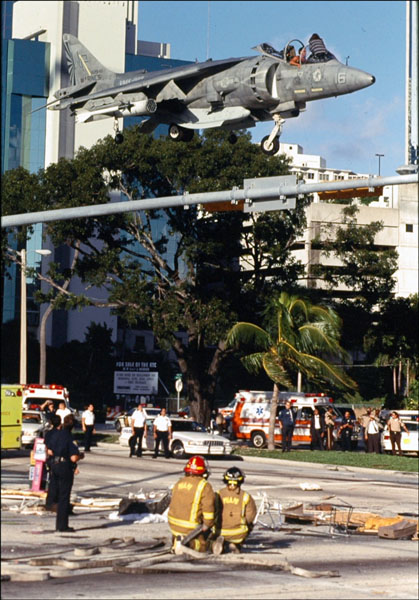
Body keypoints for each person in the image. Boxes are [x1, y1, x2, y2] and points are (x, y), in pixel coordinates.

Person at [168, 455, 215, 553]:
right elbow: (208, 510)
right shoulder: (205, 486)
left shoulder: (179, 482)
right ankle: (188, 545)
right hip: (190, 527)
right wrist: (208, 525)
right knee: (204, 545)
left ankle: (176, 540)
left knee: (179, 534)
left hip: (173, 525)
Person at [47, 414, 83, 532]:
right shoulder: (70, 438)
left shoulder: (56, 435)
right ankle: (62, 526)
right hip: (64, 466)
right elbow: (73, 458)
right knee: (64, 496)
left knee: (55, 490)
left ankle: (50, 505)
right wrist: (80, 456)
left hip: (54, 464)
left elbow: (49, 450)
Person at [213, 467, 257, 555]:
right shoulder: (246, 496)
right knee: (250, 525)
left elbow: (211, 510)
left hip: (219, 531)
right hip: (239, 532)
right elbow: (251, 515)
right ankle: (236, 545)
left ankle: (217, 544)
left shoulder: (218, 494)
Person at [44, 414, 62, 512]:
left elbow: (46, 447)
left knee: (52, 481)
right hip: (59, 460)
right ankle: (56, 502)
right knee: (59, 482)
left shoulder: (48, 434)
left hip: (50, 459)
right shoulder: (61, 434)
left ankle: (50, 501)